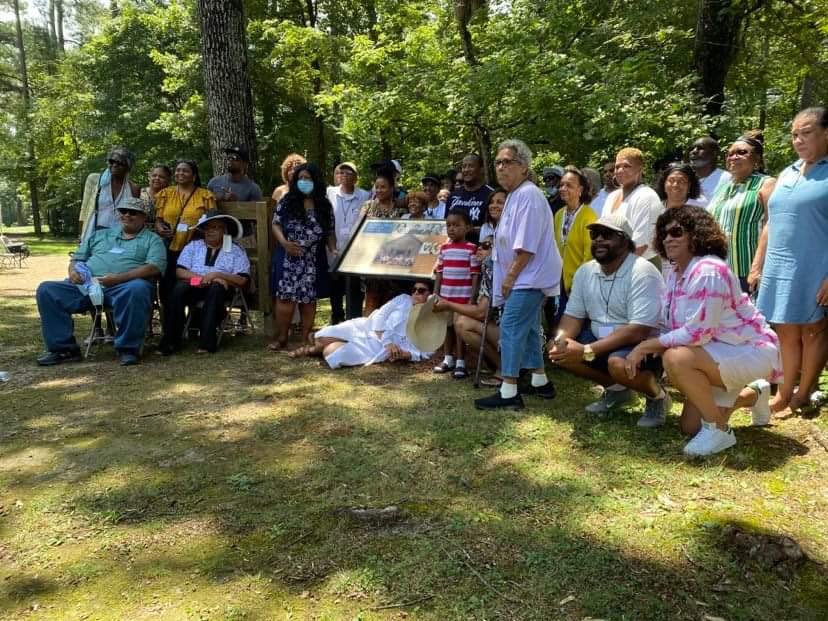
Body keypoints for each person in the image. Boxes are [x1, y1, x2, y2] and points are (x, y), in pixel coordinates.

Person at [626, 206, 781, 455]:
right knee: (690, 427)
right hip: (715, 354)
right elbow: (672, 326)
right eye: (664, 234)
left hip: (750, 350)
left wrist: (646, 346)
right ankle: (755, 393)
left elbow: (698, 333)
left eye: (676, 232)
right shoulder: (676, 273)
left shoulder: (709, 270)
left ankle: (719, 431)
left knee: (676, 357)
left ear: (696, 234)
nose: (668, 239)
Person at [547, 213, 670, 425]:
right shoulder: (585, 272)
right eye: (595, 234)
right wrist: (560, 341)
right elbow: (572, 317)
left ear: (625, 240)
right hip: (601, 339)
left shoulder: (642, 271)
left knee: (617, 364)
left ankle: (658, 397)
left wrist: (586, 350)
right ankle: (618, 391)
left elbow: (638, 330)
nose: (599, 240)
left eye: (607, 234)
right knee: (559, 350)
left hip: (641, 344)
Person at [474, 139, 560, 410]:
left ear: (524, 167)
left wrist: (510, 278)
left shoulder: (529, 196)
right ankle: (540, 381)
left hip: (528, 276)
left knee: (510, 327)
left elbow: (527, 246)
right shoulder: (515, 194)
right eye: (498, 162)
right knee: (531, 328)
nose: (501, 167)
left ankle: (509, 389)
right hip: (524, 275)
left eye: (507, 162)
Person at [755, 106, 828, 416]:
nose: (798, 140)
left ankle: (803, 393)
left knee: (813, 330)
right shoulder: (786, 172)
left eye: (806, 133)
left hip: (817, 266)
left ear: (826, 133)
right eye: (794, 135)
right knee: (785, 329)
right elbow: (771, 222)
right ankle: (784, 393)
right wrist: (758, 263)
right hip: (779, 265)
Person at [35, 198, 166, 367]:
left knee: (138, 288)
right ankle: (63, 349)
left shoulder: (152, 240)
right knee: (47, 290)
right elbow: (77, 258)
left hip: (124, 286)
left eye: (133, 212)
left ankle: (128, 349)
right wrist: (73, 272)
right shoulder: (101, 235)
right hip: (87, 285)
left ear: (143, 217)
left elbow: (154, 267)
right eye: (123, 211)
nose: (127, 215)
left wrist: (120, 278)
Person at [158, 211, 250, 355]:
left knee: (216, 287)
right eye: (207, 227)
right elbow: (180, 272)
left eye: (215, 227)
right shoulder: (194, 246)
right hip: (196, 281)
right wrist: (203, 279)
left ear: (224, 230)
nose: (210, 231)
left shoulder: (235, 250)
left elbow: (242, 279)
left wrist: (217, 275)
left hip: (223, 287)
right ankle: (170, 342)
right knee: (179, 288)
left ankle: (207, 343)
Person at [289, 281, 435, 368]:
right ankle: (315, 347)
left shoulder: (431, 320)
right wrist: (387, 341)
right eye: (414, 290)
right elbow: (380, 316)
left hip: (375, 347)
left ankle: (314, 349)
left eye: (421, 291)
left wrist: (406, 354)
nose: (416, 293)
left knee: (330, 352)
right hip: (367, 327)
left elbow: (426, 351)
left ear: (430, 294)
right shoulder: (403, 299)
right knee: (321, 338)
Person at [270, 163, 336, 350]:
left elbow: (330, 232)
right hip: (288, 257)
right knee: (285, 298)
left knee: (308, 299)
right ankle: (282, 337)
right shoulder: (287, 201)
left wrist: (333, 250)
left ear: (316, 181)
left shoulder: (324, 205)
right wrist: (285, 243)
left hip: (313, 259)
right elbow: (275, 224)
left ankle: (305, 338)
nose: (304, 181)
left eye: (308, 178)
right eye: (300, 178)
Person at [707, 132, 776, 293]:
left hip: (748, 273)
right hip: (719, 272)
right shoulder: (723, 188)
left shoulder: (766, 184)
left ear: (757, 159)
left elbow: (772, 225)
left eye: (741, 152)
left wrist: (757, 268)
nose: (734, 157)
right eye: (730, 154)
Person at [434, 237, 502, 385]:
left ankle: (505, 368)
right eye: (479, 245)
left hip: (511, 334)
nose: (479, 248)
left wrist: (449, 304)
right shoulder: (488, 270)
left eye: (486, 246)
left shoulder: (495, 271)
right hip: (503, 331)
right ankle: (501, 365)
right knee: (461, 322)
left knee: (462, 323)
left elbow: (481, 313)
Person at [153, 160, 216, 304]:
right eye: (178, 170)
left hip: (195, 247)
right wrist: (160, 228)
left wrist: (198, 230)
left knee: (190, 282)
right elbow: (158, 220)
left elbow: (213, 222)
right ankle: (168, 315)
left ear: (194, 176)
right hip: (169, 246)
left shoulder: (205, 195)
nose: (180, 173)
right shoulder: (166, 193)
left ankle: (193, 314)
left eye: (185, 171)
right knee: (167, 282)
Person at [433, 209, 480, 379]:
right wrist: (436, 293)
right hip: (445, 297)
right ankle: (448, 359)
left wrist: (472, 297)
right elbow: (439, 272)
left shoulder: (471, 249)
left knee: (459, 330)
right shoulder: (444, 248)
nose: (451, 229)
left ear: (467, 227)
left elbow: (475, 274)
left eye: (456, 225)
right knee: (447, 328)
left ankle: (461, 361)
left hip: (462, 299)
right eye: (448, 225)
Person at [604, 147, 664, 270]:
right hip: (612, 264)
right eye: (617, 167)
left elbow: (640, 245)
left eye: (626, 166)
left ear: (640, 169)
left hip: (640, 267)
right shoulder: (611, 197)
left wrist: (615, 271)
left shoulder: (646, 196)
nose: (620, 170)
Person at [360, 165, 408, 314]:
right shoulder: (368, 206)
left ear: (392, 188)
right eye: (377, 187)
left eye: (383, 187)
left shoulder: (401, 209)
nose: (379, 190)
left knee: (390, 304)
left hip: (393, 264)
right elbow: (357, 230)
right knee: (371, 301)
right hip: (371, 261)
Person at [326, 161, 370, 323]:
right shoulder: (330, 192)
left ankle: (354, 320)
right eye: (342, 172)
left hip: (356, 253)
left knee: (355, 288)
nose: (344, 175)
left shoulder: (364, 196)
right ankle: (336, 317)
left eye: (349, 172)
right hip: (334, 248)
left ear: (356, 177)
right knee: (335, 288)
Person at [553, 166, 597, 320]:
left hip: (580, 286)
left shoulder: (589, 215)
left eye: (569, 185)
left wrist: (578, 282)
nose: (563, 188)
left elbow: (590, 255)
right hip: (560, 286)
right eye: (561, 185)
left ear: (580, 190)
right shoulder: (559, 215)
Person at [78, 146, 141, 240]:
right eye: (111, 161)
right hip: (93, 234)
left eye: (119, 163)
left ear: (128, 167)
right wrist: (80, 235)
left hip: (119, 237)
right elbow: (84, 209)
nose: (114, 165)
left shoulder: (134, 188)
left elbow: (133, 217)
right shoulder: (94, 180)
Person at [447, 154, 494, 243]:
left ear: (481, 169)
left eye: (471, 166)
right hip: (454, 248)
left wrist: (469, 229)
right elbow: (445, 224)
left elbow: (496, 227)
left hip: (480, 248)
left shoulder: (491, 195)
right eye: (464, 166)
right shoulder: (453, 196)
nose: (466, 170)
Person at [689, 136, 730, 207]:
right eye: (692, 148)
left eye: (700, 148)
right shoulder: (686, 179)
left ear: (714, 153)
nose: (694, 151)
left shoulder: (727, 179)